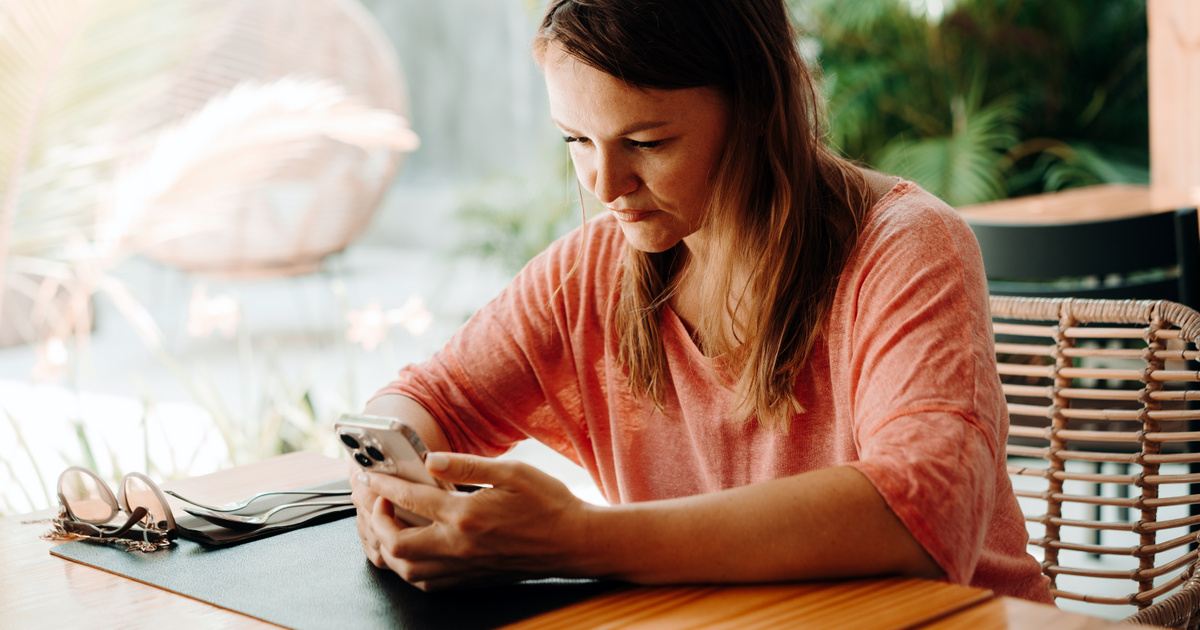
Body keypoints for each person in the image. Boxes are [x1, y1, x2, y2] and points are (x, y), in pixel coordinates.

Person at [350, 0, 1053, 603]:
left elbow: (923, 514)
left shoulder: (907, 248)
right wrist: (388, 491)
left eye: (648, 142)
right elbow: (423, 401)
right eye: (576, 140)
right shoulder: (591, 271)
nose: (604, 182)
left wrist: (576, 539)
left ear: (755, 106)